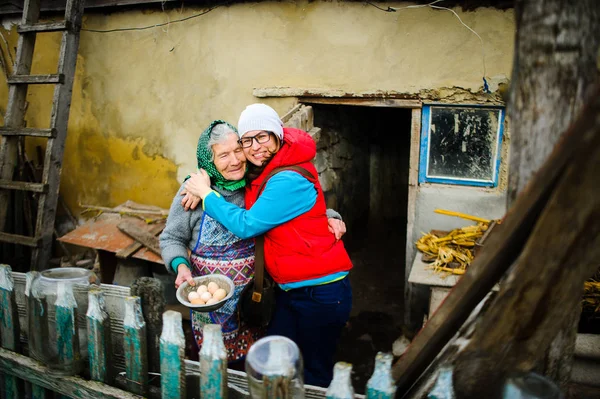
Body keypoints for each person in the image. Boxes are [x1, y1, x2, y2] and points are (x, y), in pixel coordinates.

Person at [184, 104, 353, 387]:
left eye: (262, 136)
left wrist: (206, 196)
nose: (254, 147)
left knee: (313, 372)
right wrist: (193, 181)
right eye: (247, 140)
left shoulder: (286, 177)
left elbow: (248, 224)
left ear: (277, 135)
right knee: (277, 359)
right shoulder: (267, 165)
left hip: (321, 291)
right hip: (292, 289)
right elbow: (222, 165)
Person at [159, 120, 263, 366]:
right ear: (209, 162)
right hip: (209, 307)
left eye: (238, 150)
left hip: (253, 300)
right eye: (223, 155)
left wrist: (329, 217)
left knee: (252, 369)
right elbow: (172, 237)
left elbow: (291, 203)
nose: (235, 160)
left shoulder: (257, 183)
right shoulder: (192, 191)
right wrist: (181, 267)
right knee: (212, 368)